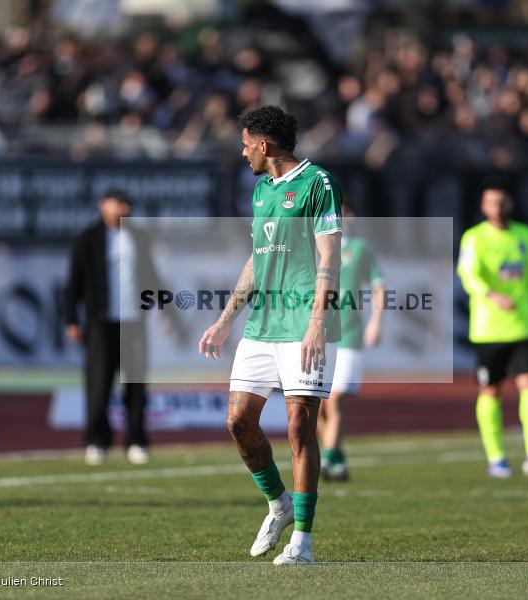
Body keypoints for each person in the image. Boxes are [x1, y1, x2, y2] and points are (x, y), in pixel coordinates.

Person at [198, 105, 342, 564]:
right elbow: (256, 260)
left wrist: (317, 322)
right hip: (262, 325)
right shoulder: (261, 191)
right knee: (238, 421)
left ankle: (303, 542)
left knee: (300, 428)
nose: (243, 154)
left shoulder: (318, 183)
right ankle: (278, 503)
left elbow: (329, 257)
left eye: (245, 145)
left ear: (263, 144)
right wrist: (226, 318)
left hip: (305, 325)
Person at [64, 188, 161, 466]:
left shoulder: (138, 236)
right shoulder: (88, 238)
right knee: (98, 385)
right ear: (103, 206)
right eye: (118, 204)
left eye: (126, 205)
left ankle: (136, 440)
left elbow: (151, 274)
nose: (123, 209)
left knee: (136, 385)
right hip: (100, 323)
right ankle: (97, 441)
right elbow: (73, 282)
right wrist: (71, 319)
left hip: (133, 322)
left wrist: (166, 308)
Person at [457, 184, 528, 478]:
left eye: (501, 201)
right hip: (489, 329)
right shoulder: (474, 237)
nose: (497, 207)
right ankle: (496, 458)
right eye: (491, 202)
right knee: (491, 390)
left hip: (523, 325)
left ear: (510, 203)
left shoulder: (525, 235)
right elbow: (467, 274)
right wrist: (491, 294)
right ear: (483, 207)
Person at [318, 198, 385, 481]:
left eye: (340, 214)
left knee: (335, 400)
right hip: (315, 338)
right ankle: (337, 459)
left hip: (349, 336)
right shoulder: (313, 247)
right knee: (317, 407)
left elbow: (378, 286)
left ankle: (326, 459)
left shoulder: (359, 249)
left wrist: (376, 321)